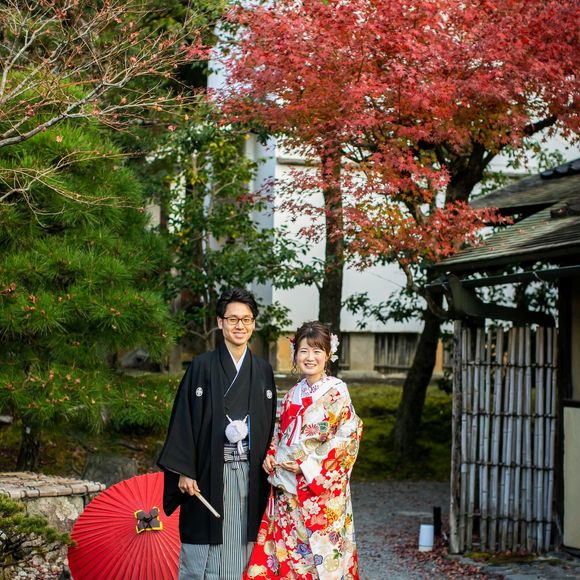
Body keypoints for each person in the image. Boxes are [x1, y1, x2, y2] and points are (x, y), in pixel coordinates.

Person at [157, 288, 277, 580]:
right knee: (205, 550)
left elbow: (271, 425)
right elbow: (183, 419)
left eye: (246, 319)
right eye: (232, 319)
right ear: (220, 322)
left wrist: (272, 457)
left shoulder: (262, 370)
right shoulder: (201, 366)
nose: (240, 326)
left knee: (244, 542)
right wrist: (185, 470)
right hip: (208, 473)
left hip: (250, 473)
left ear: (254, 323)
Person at [244, 321, 363, 580]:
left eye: (317, 351)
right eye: (304, 351)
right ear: (295, 354)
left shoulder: (337, 392)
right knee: (288, 557)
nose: (310, 357)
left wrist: (307, 466)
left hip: (319, 491)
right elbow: (280, 432)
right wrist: (271, 455)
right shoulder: (291, 395)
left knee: (322, 559)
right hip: (287, 487)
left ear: (328, 355)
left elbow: (348, 438)